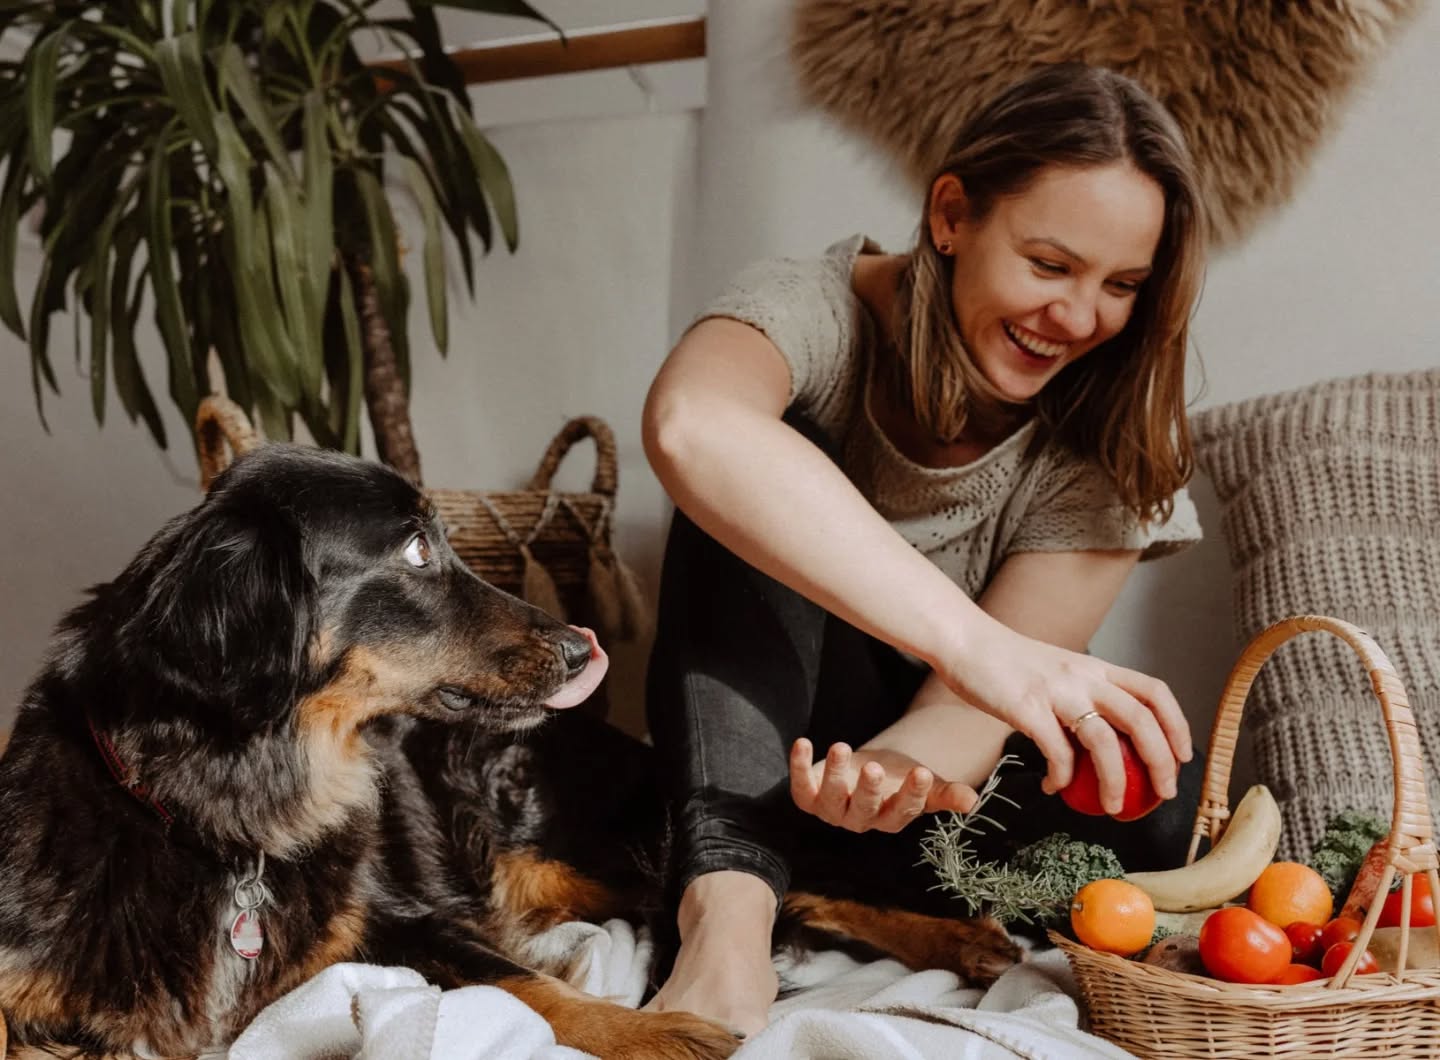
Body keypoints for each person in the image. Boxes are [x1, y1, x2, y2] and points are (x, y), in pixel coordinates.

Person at [639, 63, 1207, 1036]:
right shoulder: (810, 308)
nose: (1077, 318)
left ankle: (837, 890)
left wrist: (896, 773)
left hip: (923, 817)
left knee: (1156, 794)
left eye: (1120, 285)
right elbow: (692, 426)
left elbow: (968, 717)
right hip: (750, 748)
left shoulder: (1104, 433)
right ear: (951, 216)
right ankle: (727, 922)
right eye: (1048, 263)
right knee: (761, 466)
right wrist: (978, 648)